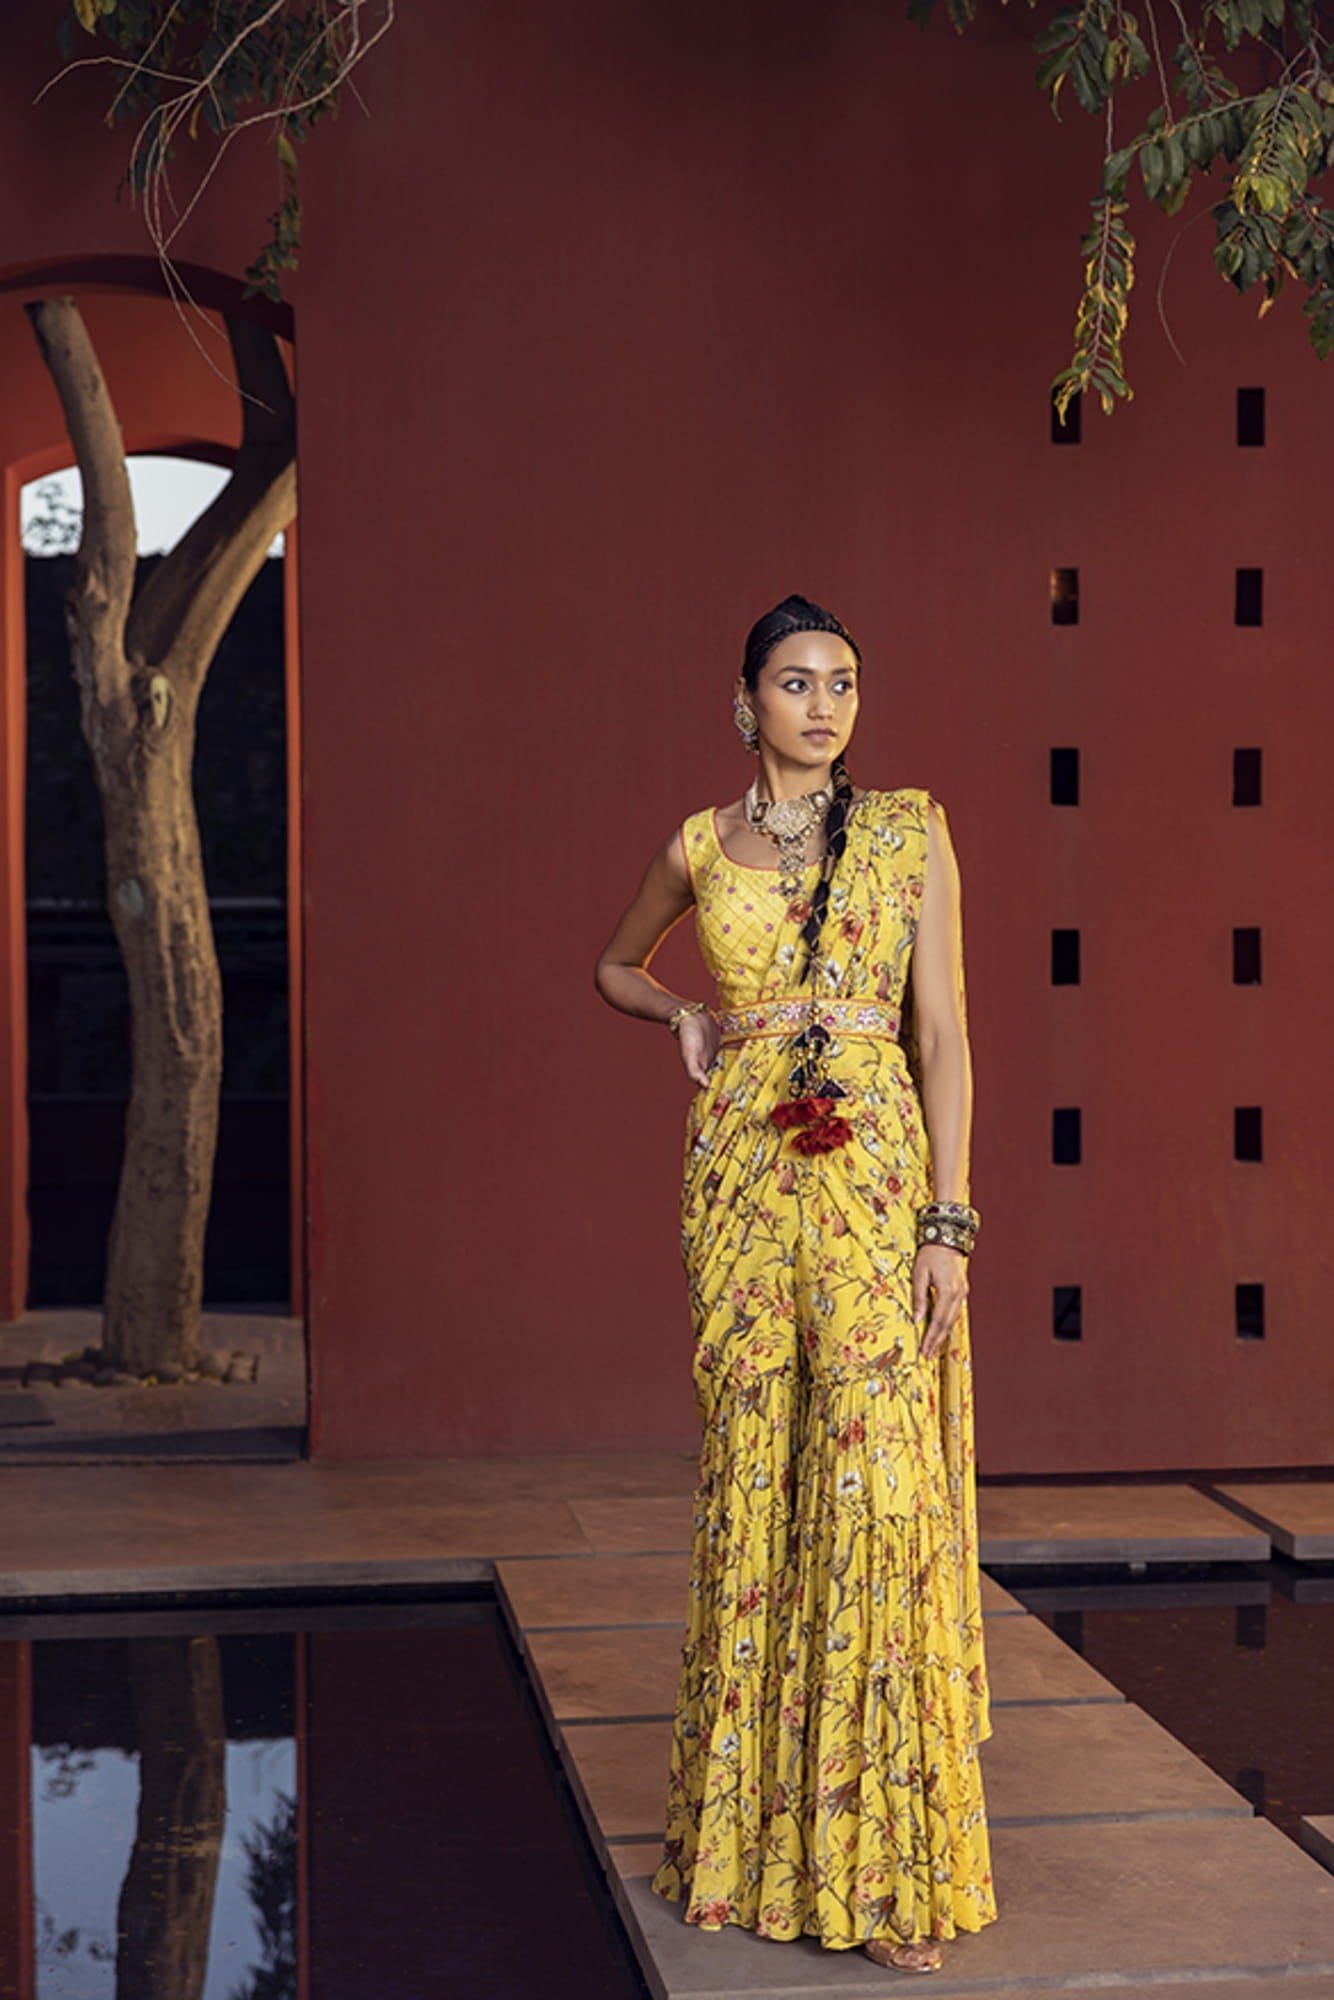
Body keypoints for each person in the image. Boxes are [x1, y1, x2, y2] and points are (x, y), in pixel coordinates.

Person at [593, 593, 997, 1975]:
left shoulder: (908, 829)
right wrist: (683, 1013)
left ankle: (882, 1877)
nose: (821, 705)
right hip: (741, 1179)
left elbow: (940, 1030)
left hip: (878, 1171)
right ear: (743, 703)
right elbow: (610, 963)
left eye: (841, 682)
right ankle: (744, 1851)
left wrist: (947, 1221)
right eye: (792, 681)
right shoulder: (699, 845)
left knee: (871, 1483)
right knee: (758, 1474)